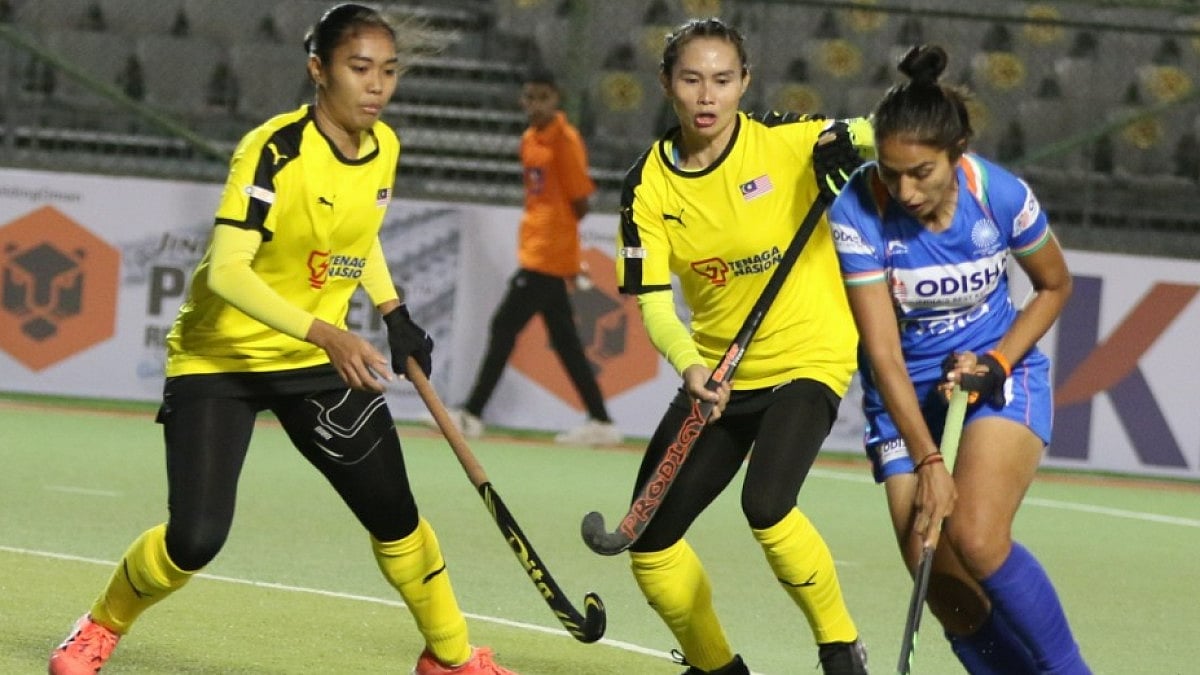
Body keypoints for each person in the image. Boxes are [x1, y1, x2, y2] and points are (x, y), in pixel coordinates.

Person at [47, 5, 517, 675]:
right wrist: (328, 332)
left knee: (394, 513)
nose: (377, 86)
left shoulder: (384, 146)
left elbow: (357, 234)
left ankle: (449, 656)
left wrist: (393, 310)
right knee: (195, 538)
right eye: (359, 68)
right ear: (319, 69)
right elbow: (228, 271)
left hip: (313, 362)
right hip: (221, 358)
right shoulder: (273, 151)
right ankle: (99, 625)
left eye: (388, 71)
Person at [613, 17, 872, 675]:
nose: (708, 96)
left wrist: (855, 144)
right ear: (667, 84)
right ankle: (718, 669)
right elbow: (653, 301)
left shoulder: (785, 140)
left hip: (809, 355)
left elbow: (888, 131)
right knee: (650, 542)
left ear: (745, 83)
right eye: (692, 79)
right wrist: (691, 365)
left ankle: (841, 651)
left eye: (723, 80)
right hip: (718, 374)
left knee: (767, 503)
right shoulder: (647, 186)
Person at [830, 44, 1090, 674]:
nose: (905, 190)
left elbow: (1054, 286)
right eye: (891, 172)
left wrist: (997, 363)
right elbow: (884, 354)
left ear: (957, 152)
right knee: (945, 588)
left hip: (997, 377)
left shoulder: (998, 194)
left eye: (921, 172)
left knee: (974, 535)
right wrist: (927, 460)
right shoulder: (857, 211)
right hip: (904, 399)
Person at [447, 68, 621, 446]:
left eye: (543, 97)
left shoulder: (565, 141)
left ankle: (472, 413)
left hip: (547, 257)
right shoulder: (529, 139)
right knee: (566, 343)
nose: (535, 105)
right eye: (530, 97)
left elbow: (581, 200)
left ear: (557, 99)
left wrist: (557, 236)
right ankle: (601, 420)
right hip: (539, 252)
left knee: (503, 327)